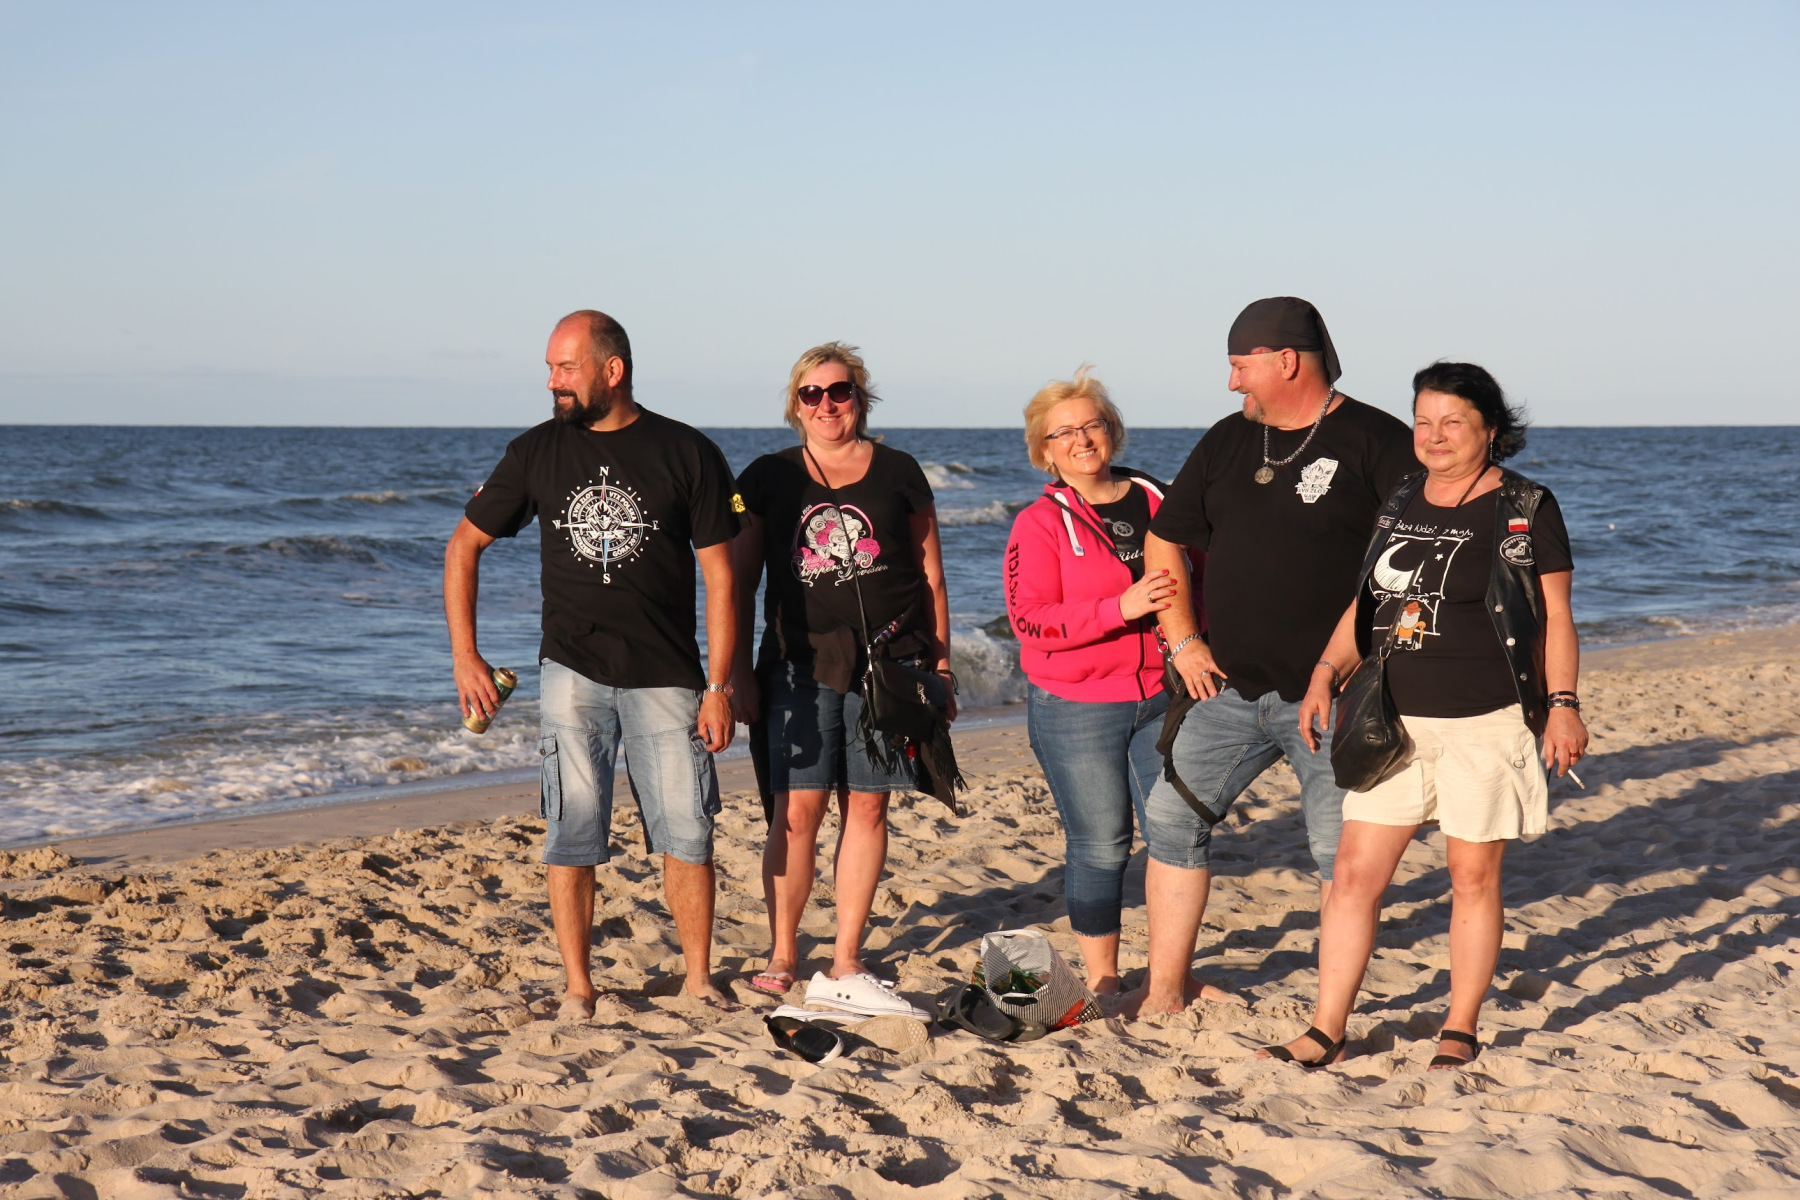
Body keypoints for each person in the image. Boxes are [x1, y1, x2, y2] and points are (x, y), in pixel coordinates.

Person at [1261, 361, 1587, 1068]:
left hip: (1486, 721)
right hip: (1391, 719)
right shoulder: (1402, 495)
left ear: (1490, 430)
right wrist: (1324, 673)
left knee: (1471, 878)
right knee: (1354, 875)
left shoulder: (1526, 506)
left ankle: (1459, 1026)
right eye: (1423, 422)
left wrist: (1563, 705)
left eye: (1453, 422)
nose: (1435, 436)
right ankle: (1325, 1029)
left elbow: (1557, 617)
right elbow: (1367, 603)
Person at [444, 309, 741, 1017]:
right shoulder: (536, 452)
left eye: (566, 368)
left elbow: (723, 579)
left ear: (613, 370)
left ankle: (698, 979)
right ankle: (579, 989)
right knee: (572, 832)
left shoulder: (687, 452)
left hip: (668, 676)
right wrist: (466, 656)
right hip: (572, 674)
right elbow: (463, 546)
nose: (553, 382)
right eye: (550, 368)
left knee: (688, 832)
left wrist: (720, 686)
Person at [1127, 297, 1417, 1017]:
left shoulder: (1379, 441)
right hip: (1226, 688)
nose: (1231, 382)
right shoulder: (1229, 439)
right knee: (1171, 821)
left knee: (1338, 856)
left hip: (1335, 696)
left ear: (1287, 361)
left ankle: (1328, 1017)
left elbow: (1414, 562)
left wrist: (1363, 662)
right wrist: (1184, 639)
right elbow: (1165, 537)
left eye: (1240, 365)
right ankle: (1164, 993)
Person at [728, 342, 952, 1011]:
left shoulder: (900, 469)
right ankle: (783, 953)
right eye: (812, 394)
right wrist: (734, 672)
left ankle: (848, 953)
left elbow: (932, 575)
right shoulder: (767, 476)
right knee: (797, 813)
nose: (827, 405)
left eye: (840, 391)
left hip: (891, 663)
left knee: (869, 804)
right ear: (796, 405)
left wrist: (941, 665)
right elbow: (737, 583)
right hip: (797, 665)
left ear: (860, 397)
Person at [1002, 367, 1178, 996]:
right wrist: (1118, 609)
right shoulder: (1038, 524)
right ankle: (1104, 977)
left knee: (1176, 836)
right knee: (1102, 844)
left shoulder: (1161, 500)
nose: (1081, 440)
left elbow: (1206, 581)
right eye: (1063, 432)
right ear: (1044, 450)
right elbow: (1029, 621)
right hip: (1077, 704)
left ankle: (1169, 975)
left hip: (1166, 696)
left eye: (1092, 425)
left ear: (1113, 431)